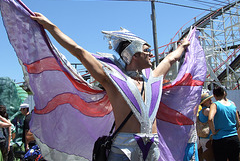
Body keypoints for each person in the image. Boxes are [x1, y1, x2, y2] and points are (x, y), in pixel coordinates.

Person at [30, 12, 190, 160]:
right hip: (124, 149)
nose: (151, 54)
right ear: (134, 55)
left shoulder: (153, 79)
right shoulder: (113, 80)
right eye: (146, 50)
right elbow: (79, 51)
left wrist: (184, 45)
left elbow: (170, 59)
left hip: (152, 147)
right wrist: (50, 26)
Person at [208, 86, 240, 161]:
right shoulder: (232, 104)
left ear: (214, 96)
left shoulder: (215, 105)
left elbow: (210, 119)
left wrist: (214, 132)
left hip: (220, 139)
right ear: (224, 93)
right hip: (233, 138)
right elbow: (238, 122)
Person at [198, 92, 214, 161]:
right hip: (208, 137)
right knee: (208, 156)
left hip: (203, 137)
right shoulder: (207, 110)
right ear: (204, 102)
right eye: (208, 100)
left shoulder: (202, 111)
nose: (211, 101)